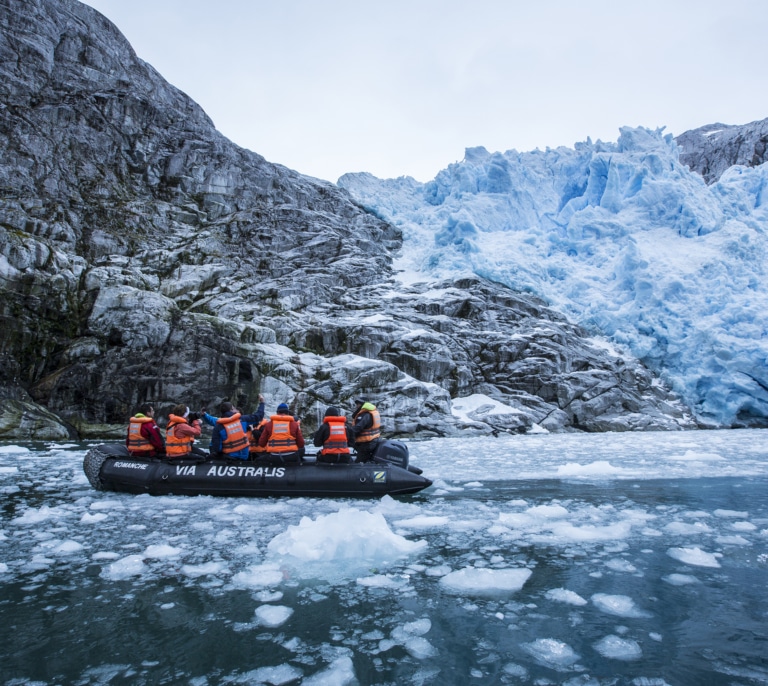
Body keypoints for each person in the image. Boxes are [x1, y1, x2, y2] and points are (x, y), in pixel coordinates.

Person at [202, 395, 265, 460]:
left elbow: (217, 448)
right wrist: (262, 402)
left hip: (229, 457)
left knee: (211, 455)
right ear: (232, 410)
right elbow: (259, 416)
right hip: (244, 456)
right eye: (234, 408)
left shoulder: (219, 426)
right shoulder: (242, 419)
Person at [349, 396, 381, 463]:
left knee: (359, 463)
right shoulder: (371, 412)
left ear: (363, 404)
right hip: (372, 441)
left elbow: (357, 428)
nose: (357, 406)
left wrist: (346, 433)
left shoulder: (365, 415)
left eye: (358, 404)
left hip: (367, 444)